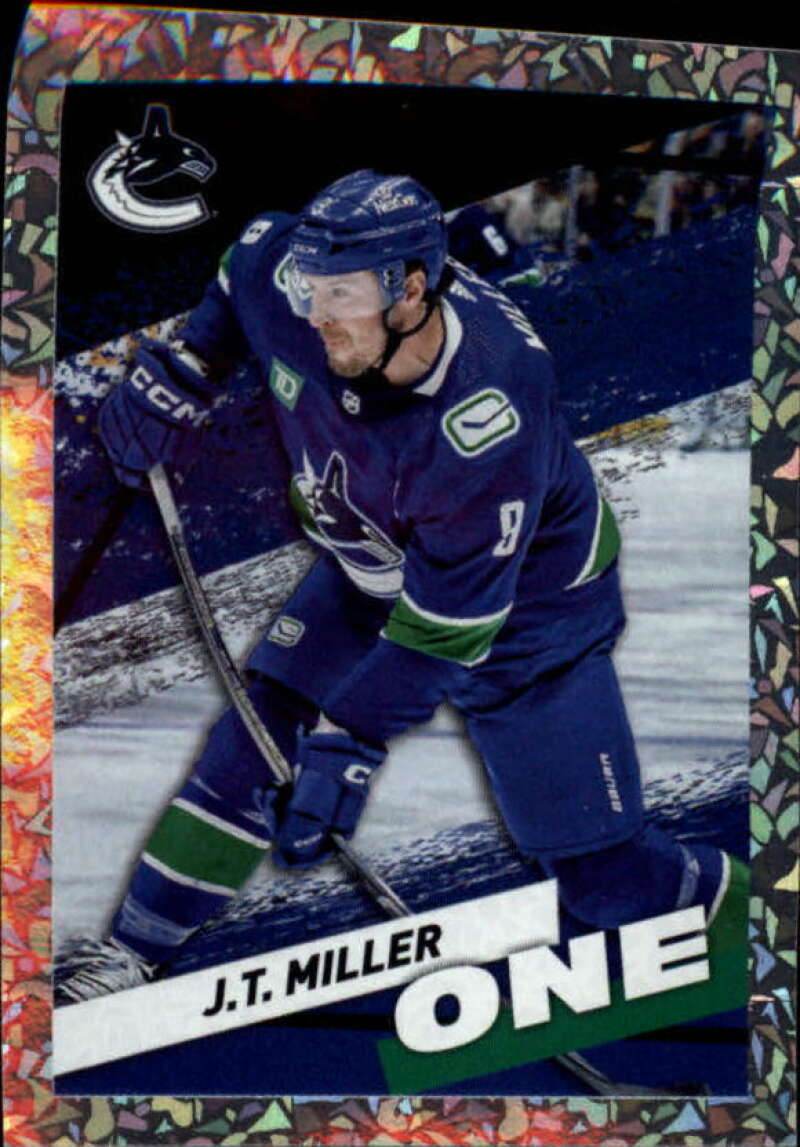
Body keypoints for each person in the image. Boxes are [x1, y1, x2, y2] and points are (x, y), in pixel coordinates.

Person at [57, 170, 731, 1002]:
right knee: (257, 737)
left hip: (528, 612)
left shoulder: (490, 406)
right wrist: (191, 367)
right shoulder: (294, 281)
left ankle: (755, 924)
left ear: (411, 290)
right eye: (312, 286)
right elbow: (246, 262)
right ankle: (126, 960)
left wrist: (349, 741)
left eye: (339, 293)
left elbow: (447, 630)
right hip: (371, 565)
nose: (314, 312)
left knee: (607, 881)